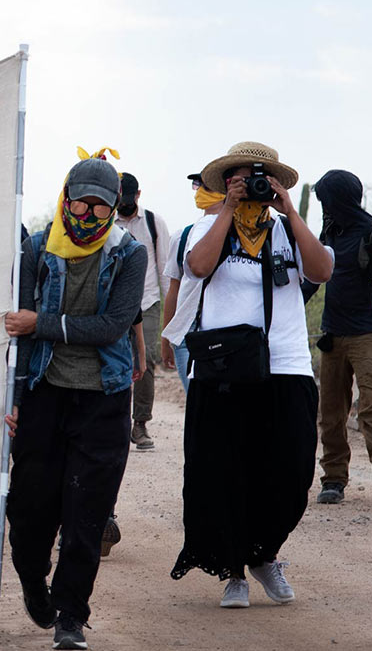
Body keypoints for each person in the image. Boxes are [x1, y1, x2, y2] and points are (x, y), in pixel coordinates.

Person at [170, 142, 332, 609]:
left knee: (292, 469)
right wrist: (229, 209)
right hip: (223, 367)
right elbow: (198, 267)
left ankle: (265, 554)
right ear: (226, 183)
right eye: (243, 178)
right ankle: (234, 571)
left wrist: (291, 215)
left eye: (261, 178)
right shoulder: (206, 226)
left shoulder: (285, 229)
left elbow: (320, 270)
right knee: (223, 472)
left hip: (285, 364)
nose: (254, 185)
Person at [5, 156, 146, 650]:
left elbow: (112, 326)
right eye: (78, 203)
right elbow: (17, 334)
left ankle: (71, 616)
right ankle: (31, 582)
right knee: (28, 511)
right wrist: (16, 398)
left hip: (104, 399)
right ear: (65, 198)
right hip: (44, 393)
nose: (85, 216)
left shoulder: (129, 253)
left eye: (98, 207)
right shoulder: (37, 247)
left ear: (112, 208)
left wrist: (40, 322)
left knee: (87, 512)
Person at [312, 170, 372, 505]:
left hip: (368, 334)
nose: (324, 208)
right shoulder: (327, 232)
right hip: (333, 334)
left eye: (328, 200)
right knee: (331, 412)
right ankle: (333, 479)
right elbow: (311, 277)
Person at [116, 173, 171, 452]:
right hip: (115, 305)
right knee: (112, 361)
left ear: (138, 195)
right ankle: (115, 423)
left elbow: (165, 270)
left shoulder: (153, 223)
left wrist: (170, 316)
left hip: (147, 302)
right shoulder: (106, 222)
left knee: (146, 359)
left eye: (128, 199)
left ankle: (140, 424)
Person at [158, 173, 213, 394]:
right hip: (187, 333)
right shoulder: (183, 237)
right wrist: (166, 338)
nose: (198, 191)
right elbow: (174, 290)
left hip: (223, 332)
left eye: (205, 187)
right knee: (196, 402)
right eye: (196, 186)